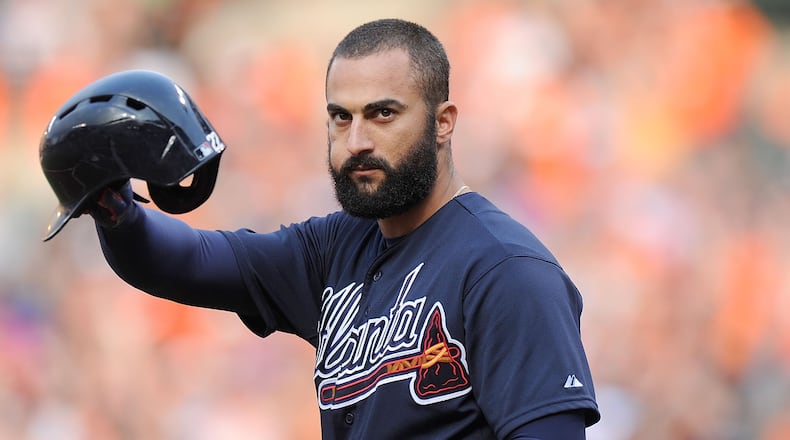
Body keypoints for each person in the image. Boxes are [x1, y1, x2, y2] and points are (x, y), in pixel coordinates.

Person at [79, 18, 600, 438]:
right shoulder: (335, 248)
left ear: (443, 122)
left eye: (382, 114)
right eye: (341, 118)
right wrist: (116, 209)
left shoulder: (506, 271)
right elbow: (187, 262)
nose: (356, 142)